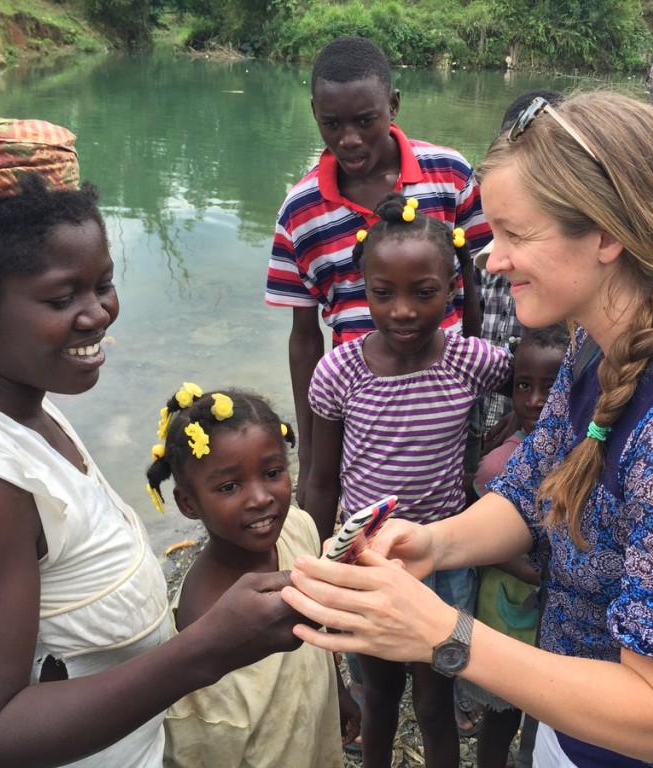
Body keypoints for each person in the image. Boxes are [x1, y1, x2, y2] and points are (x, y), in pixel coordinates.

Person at [281, 91, 653, 768]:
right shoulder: (595, 349)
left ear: (606, 235)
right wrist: (432, 545)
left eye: (514, 234)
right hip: (569, 728)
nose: (491, 261)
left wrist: (443, 631)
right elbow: (533, 490)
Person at [0, 118, 304, 768]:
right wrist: (207, 647)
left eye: (102, 283)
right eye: (61, 296)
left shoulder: (8, 393)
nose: (98, 314)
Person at [304, 192, 512, 768]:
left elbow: (533, 388)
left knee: (434, 696)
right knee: (380, 695)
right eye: (382, 293)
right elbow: (321, 480)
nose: (402, 311)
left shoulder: (469, 360)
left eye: (423, 293)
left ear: (451, 288)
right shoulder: (339, 372)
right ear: (360, 288)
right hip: (367, 559)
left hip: (443, 560)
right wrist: (317, 562)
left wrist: (503, 445)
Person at [264, 35, 491, 508]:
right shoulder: (299, 212)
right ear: (313, 113)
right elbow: (305, 337)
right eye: (331, 123)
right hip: (359, 404)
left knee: (453, 502)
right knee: (359, 513)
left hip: (444, 397)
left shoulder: (448, 174)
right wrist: (309, 447)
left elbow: (479, 280)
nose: (349, 139)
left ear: (393, 105)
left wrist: (476, 381)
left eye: (365, 120)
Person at [145, 385, 359, 767]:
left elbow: (314, 640)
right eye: (229, 486)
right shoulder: (202, 626)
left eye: (273, 472)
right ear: (188, 503)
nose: (261, 497)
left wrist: (336, 692)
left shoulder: (298, 528)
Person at [462, 323, 569, 768]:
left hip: (561, 613)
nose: (534, 400)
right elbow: (475, 534)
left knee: (551, 708)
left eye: (552, 385)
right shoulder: (500, 463)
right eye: (524, 386)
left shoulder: (590, 453)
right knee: (503, 709)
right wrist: (534, 572)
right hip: (510, 605)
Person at [474, 88, 563, 447]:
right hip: (488, 419)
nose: (499, 262)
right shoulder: (488, 261)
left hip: (542, 426)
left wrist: (524, 405)